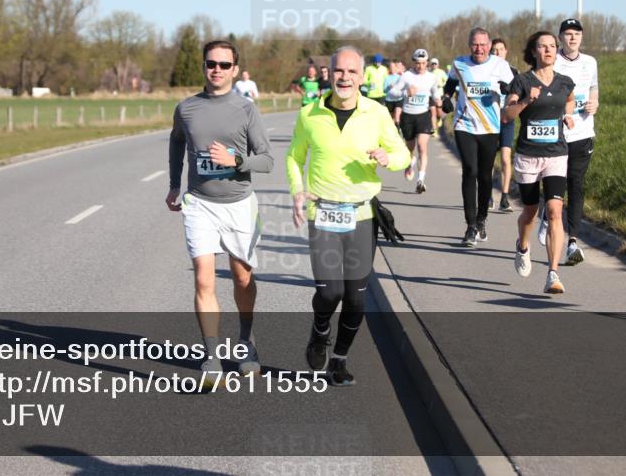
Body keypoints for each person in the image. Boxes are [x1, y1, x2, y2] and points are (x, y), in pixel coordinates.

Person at [287, 46, 410, 385]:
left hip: (361, 215)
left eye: (352, 72)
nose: (345, 77)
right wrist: (298, 189)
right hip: (323, 211)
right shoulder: (309, 114)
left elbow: (402, 154)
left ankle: (339, 359)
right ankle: (320, 329)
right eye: (339, 71)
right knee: (329, 293)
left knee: (356, 298)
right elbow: (294, 158)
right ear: (328, 73)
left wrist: (388, 158)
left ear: (362, 76)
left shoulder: (376, 113)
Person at [167, 40, 275, 382]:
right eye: (211, 63)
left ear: (234, 69)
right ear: (203, 66)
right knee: (203, 277)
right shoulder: (186, 108)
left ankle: (246, 341)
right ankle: (211, 356)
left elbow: (268, 160)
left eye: (224, 65)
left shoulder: (246, 110)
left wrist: (236, 160)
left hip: (239, 204)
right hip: (199, 203)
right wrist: (174, 184)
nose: (216, 69)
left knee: (242, 276)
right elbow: (176, 142)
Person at [502, 30, 576, 294]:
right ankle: (523, 245)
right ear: (533, 52)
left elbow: (568, 101)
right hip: (528, 156)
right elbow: (506, 116)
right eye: (542, 47)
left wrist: (568, 116)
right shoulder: (522, 81)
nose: (548, 51)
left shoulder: (565, 82)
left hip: (557, 154)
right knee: (531, 212)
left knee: (555, 211)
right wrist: (526, 100)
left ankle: (552, 274)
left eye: (552, 46)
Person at [442, 28, 514, 247]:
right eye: (475, 44)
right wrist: (446, 98)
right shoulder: (459, 63)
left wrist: (506, 88)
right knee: (470, 171)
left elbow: (515, 88)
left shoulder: (500, 66)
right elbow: (451, 83)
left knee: (484, 176)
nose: (479, 49)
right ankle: (470, 225)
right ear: (469, 44)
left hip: (490, 127)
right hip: (464, 124)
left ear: (490, 45)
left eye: (483, 45)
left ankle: (482, 219)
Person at [537, 18, 598, 265]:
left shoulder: (590, 62)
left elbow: (593, 87)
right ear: (560, 37)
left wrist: (595, 102)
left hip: (583, 134)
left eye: (577, 34)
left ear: (582, 37)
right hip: (557, 135)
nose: (573, 38)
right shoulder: (553, 61)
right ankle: (547, 215)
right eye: (568, 34)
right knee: (556, 186)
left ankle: (572, 241)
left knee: (576, 185)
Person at [388, 49, 442, 194]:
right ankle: (409, 163)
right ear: (414, 63)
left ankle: (421, 180)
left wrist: (438, 99)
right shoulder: (406, 76)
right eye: (418, 63)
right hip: (408, 116)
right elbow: (391, 93)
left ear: (427, 63)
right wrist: (406, 93)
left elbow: (435, 92)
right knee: (410, 149)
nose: (421, 66)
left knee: (422, 147)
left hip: (423, 116)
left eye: (424, 63)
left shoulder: (431, 77)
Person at [490, 38, 518, 212]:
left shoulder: (514, 71)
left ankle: (505, 198)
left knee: (506, 159)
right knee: (489, 161)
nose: (498, 52)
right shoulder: (487, 70)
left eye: (501, 49)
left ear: (506, 51)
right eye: (494, 50)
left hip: (507, 120)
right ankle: (487, 195)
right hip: (490, 120)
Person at [429, 58, 448, 133]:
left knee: (438, 110)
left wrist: (441, 85)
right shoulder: (429, 72)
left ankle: (439, 118)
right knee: (432, 111)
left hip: (439, 93)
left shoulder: (441, 72)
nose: (434, 65)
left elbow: (447, 81)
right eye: (432, 64)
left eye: (435, 64)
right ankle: (435, 130)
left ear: (438, 64)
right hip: (431, 94)